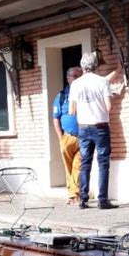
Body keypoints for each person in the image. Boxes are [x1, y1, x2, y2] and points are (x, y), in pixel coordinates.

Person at [69, 52, 120, 210]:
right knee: (103, 163)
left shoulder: (75, 84)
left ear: (83, 66)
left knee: (85, 164)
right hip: (100, 126)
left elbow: (72, 110)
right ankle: (102, 200)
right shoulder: (102, 82)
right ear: (96, 65)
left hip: (83, 127)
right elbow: (109, 107)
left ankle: (83, 199)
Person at [53, 66, 83, 205]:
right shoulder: (61, 96)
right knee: (68, 167)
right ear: (68, 78)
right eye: (75, 76)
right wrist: (61, 137)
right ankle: (72, 195)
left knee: (78, 166)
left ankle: (74, 195)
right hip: (67, 137)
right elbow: (55, 118)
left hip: (83, 136)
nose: (78, 79)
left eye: (80, 76)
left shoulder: (84, 93)